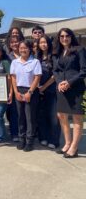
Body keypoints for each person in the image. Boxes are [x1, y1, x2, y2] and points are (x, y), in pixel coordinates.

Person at [52, 28, 86, 158]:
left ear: (71, 37)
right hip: (61, 88)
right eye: (62, 36)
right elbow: (55, 71)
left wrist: (69, 82)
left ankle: (74, 148)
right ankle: (67, 143)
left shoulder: (79, 50)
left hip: (75, 88)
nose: (64, 38)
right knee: (61, 115)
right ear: (59, 38)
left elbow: (83, 71)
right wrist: (60, 82)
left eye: (67, 36)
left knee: (77, 117)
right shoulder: (58, 52)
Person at [10, 40, 42, 152]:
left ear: (30, 49)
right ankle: (21, 139)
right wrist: (16, 92)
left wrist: (30, 92)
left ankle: (29, 141)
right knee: (20, 117)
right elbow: (13, 78)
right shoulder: (15, 62)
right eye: (21, 48)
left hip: (31, 91)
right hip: (18, 90)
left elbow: (37, 77)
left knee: (30, 117)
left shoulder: (35, 62)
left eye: (25, 48)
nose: (23, 50)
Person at [36, 35, 60, 149]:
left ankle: (54, 140)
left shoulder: (54, 56)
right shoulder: (38, 57)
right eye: (41, 42)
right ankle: (43, 137)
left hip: (51, 91)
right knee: (42, 116)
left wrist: (43, 87)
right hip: (39, 92)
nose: (43, 44)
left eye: (45, 42)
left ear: (49, 43)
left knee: (53, 117)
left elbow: (55, 75)